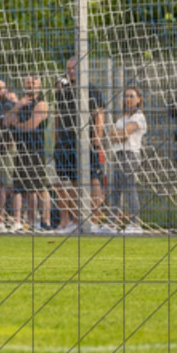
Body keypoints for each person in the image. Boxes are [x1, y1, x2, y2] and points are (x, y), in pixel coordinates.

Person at [53, 56, 106, 232]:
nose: (71, 72)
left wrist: (96, 140)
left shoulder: (91, 89)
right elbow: (57, 117)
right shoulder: (63, 91)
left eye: (74, 68)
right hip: (66, 142)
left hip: (86, 143)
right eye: (68, 69)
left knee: (92, 180)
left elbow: (99, 114)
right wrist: (56, 141)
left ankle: (95, 222)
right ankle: (77, 221)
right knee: (74, 182)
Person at [4, 76, 51, 232]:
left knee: (36, 188)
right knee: (18, 187)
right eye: (28, 83)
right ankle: (22, 222)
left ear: (39, 86)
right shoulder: (20, 104)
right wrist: (18, 106)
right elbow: (6, 121)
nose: (30, 85)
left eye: (34, 83)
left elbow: (31, 125)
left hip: (36, 151)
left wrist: (16, 124)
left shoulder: (42, 104)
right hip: (20, 150)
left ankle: (43, 221)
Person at [107, 87, 146, 234]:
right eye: (126, 96)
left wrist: (119, 133)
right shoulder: (122, 117)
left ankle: (135, 224)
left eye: (131, 96)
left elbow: (124, 134)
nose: (128, 99)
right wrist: (120, 133)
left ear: (138, 99)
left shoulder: (139, 117)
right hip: (119, 154)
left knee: (129, 187)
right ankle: (112, 223)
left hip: (131, 155)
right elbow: (111, 135)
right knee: (115, 189)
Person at [0, 79, 18, 232]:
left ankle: (16, 220)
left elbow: (9, 122)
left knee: (10, 185)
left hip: (6, 149)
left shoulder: (9, 105)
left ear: (5, 89)